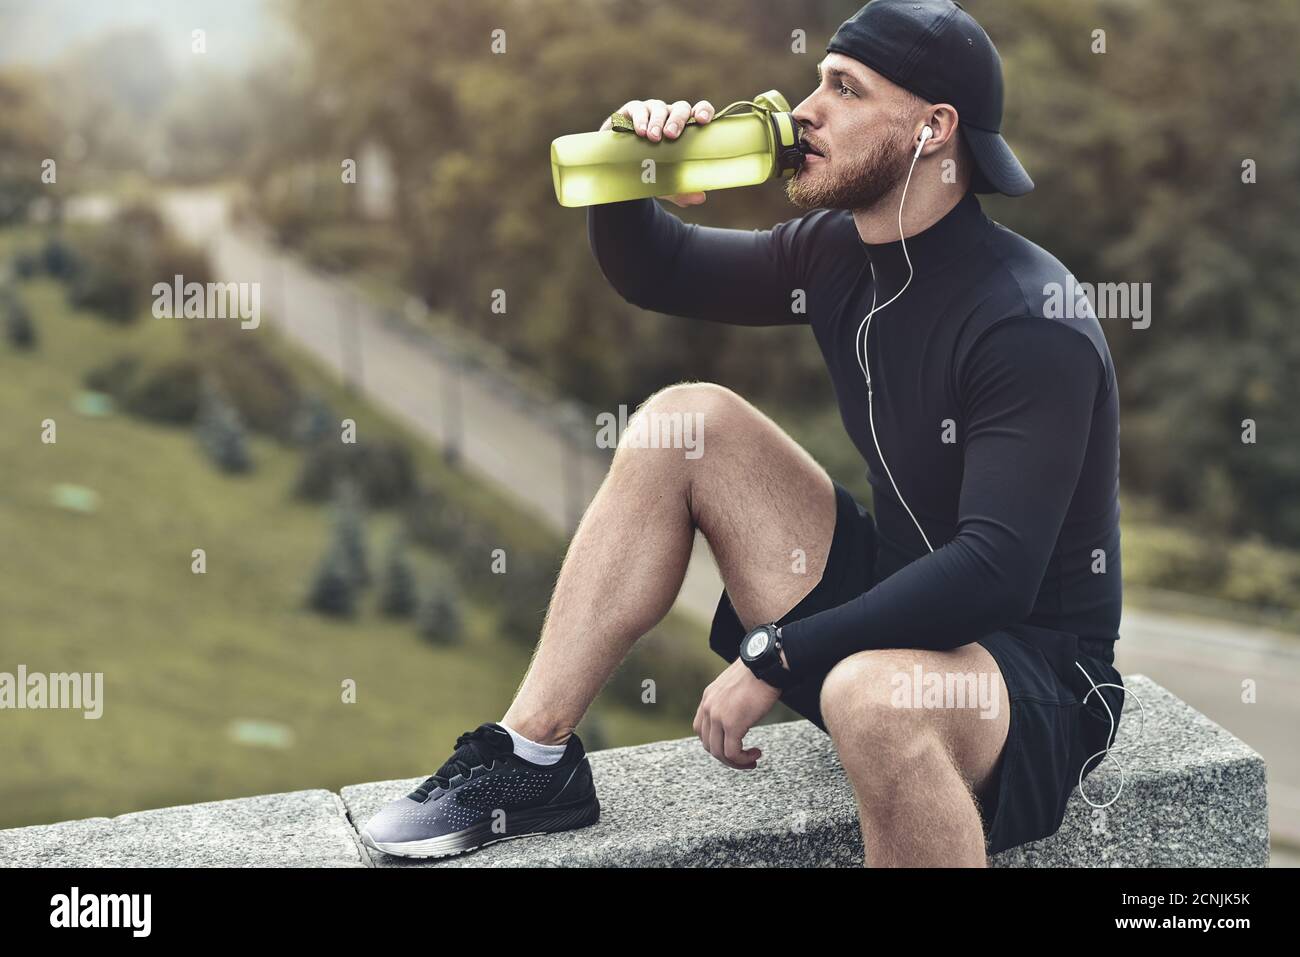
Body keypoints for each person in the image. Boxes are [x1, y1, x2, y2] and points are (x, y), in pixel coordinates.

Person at [361, 0, 1125, 866]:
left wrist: (776, 655)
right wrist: (631, 172)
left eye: (844, 89)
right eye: (819, 81)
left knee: (875, 696)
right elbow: (662, 267)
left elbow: (996, 570)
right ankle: (533, 756)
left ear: (933, 129)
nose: (806, 109)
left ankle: (867, 695)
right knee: (688, 422)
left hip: (1037, 675)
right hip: (899, 610)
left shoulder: (1028, 321)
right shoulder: (840, 253)